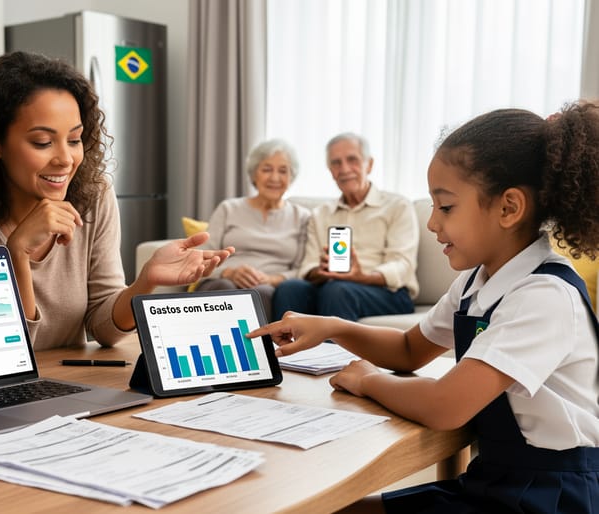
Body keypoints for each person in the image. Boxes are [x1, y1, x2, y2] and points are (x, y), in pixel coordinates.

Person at [248, 104, 599, 513]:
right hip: (498, 482)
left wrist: (367, 381)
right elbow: (409, 350)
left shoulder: (543, 296)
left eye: (445, 207)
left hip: (550, 497)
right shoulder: (477, 282)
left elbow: (445, 406)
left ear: (509, 208)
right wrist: (333, 327)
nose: (432, 223)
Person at [0, 51, 233, 350]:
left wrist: (145, 283)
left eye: (74, 140)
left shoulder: (94, 197)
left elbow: (105, 329)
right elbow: (0, 351)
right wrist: (16, 254)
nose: (65, 159)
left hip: (75, 384)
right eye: (43, 142)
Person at [271, 133, 418, 321]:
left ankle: (335, 352)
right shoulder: (321, 214)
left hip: (387, 293)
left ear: (369, 164)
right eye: (336, 163)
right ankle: (281, 350)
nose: (345, 169)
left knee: (337, 290)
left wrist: (362, 276)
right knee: (289, 288)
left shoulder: (397, 206)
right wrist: (321, 271)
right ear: (331, 171)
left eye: (352, 160)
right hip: (332, 287)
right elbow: (308, 267)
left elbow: (402, 265)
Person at [195, 139, 311, 320]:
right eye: (266, 169)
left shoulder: (302, 216)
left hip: (269, 286)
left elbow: (303, 269)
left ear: (291, 177)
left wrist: (272, 279)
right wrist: (229, 272)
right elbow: (203, 257)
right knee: (225, 288)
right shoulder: (229, 208)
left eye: (283, 171)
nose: (274, 178)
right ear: (254, 174)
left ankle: (258, 348)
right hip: (223, 280)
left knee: (261, 293)